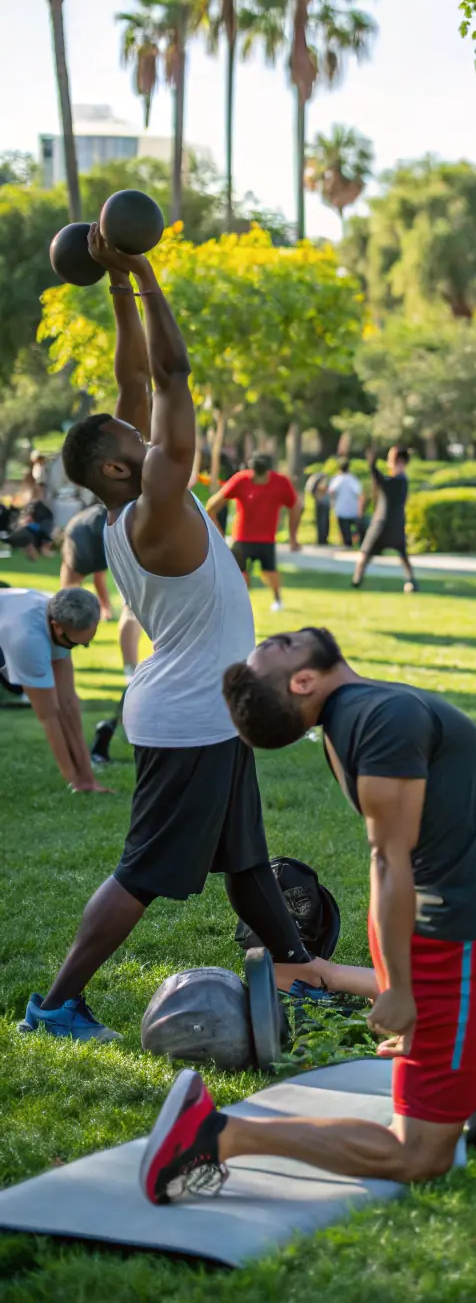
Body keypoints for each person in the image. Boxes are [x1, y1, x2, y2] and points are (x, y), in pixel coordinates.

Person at [20, 227, 368, 1045]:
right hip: (189, 715)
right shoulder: (157, 510)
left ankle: (298, 973)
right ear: (115, 468)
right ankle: (57, 1002)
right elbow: (175, 378)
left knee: (246, 862)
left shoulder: (123, 507)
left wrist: (115, 287)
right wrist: (143, 266)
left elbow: (137, 378)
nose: (149, 441)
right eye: (134, 443)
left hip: (203, 707)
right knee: (145, 868)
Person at [138, 624, 476, 1204]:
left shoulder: (360, 711)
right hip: (453, 944)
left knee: (448, 1090)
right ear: (304, 680)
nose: (286, 634)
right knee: (420, 1155)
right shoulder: (379, 722)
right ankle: (216, 1136)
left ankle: (445, 1088)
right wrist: (396, 988)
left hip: (466, 933)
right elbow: (390, 863)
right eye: (280, 645)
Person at [59, 500, 145, 765]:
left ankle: (129, 672)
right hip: (99, 532)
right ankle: (129, 671)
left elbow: (94, 574)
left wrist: (105, 606)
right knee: (131, 606)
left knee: (69, 596)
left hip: (87, 531)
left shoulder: (90, 518)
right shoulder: (121, 513)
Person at [0, 586, 108, 793]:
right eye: (76, 644)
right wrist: (76, 782)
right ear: (56, 627)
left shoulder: (59, 611)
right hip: (14, 631)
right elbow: (49, 715)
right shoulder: (27, 640)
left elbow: (68, 703)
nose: (79, 648)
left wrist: (88, 776)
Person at [205, 454, 302, 613]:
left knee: (269, 572)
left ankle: (277, 600)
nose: (257, 480)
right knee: (238, 573)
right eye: (255, 475)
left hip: (267, 539)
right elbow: (211, 507)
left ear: (269, 471)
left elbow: (295, 507)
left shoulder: (281, 483)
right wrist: (219, 535)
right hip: (242, 537)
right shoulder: (241, 480)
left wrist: (293, 537)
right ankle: (240, 603)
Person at [351, 446, 417, 592]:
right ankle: (411, 579)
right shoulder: (402, 480)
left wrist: (372, 465)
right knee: (402, 554)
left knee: (365, 553)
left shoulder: (398, 481)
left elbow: (381, 480)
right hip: (396, 523)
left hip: (382, 523)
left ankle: (357, 579)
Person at [328, 458, 364, 547]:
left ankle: (348, 544)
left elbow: (331, 491)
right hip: (353, 510)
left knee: (346, 537)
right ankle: (356, 542)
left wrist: (333, 503)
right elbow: (360, 495)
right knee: (356, 531)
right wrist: (360, 511)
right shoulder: (353, 479)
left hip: (341, 511)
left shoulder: (337, 479)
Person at [304, 468, 331, 546]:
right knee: (324, 521)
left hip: (317, 501)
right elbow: (324, 488)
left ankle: (320, 539)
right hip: (324, 501)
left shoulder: (316, 478)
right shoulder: (324, 478)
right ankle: (323, 539)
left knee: (320, 521)